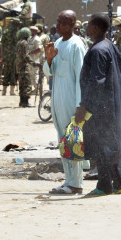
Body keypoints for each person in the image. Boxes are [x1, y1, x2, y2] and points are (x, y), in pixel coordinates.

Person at [76, 13, 121, 196]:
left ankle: (104, 185)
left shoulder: (98, 50)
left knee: (101, 146)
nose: (86, 27)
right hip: (112, 104)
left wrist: (84, 106)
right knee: (110, 144)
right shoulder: (110, 47)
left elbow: (96, 81)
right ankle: (120, 183)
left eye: (89, 24)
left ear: (96, 28)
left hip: (101, 106)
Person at [43, 10, 88, 195]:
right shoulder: (59, 43)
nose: (58, 25)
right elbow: (49, 71)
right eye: (57, 22)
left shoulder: (77, 45)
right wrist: (49, 58)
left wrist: (80, 105)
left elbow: (81, 77)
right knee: (63, 140)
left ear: (71, 24)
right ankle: (68, 181)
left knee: (72, 139)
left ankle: (76, 183)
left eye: (62, 23)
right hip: (58, 98)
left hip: (72, 99)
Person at [15, 27, 34, 107]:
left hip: (19, 66)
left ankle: (21, 102)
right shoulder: (25, 43)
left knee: (21, 85)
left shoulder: (19, 42)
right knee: (27, 85)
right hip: (24, 67)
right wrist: (34, 63)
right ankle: (25, 102)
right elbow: (26, 56)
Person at [0, 18, 21, 96]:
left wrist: (1, 55)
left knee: (6, 72)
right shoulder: (17, 33)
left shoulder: (5, 32)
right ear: (14, 24)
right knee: (13, 72)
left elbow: (2, 44)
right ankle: (12, 91)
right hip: (14, 55)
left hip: (6, 55)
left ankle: (4, 90)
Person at [27, 25, 43, 95]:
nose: (30, 32)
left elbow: (39, 49)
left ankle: (38, 90)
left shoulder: (37, 39)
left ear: (35, 31)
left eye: (32, 31)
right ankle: (36, 89)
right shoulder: (31, 39)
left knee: (34, 76)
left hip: (35, 60)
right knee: (31, 76)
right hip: (30, 61)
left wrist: (30, 52)